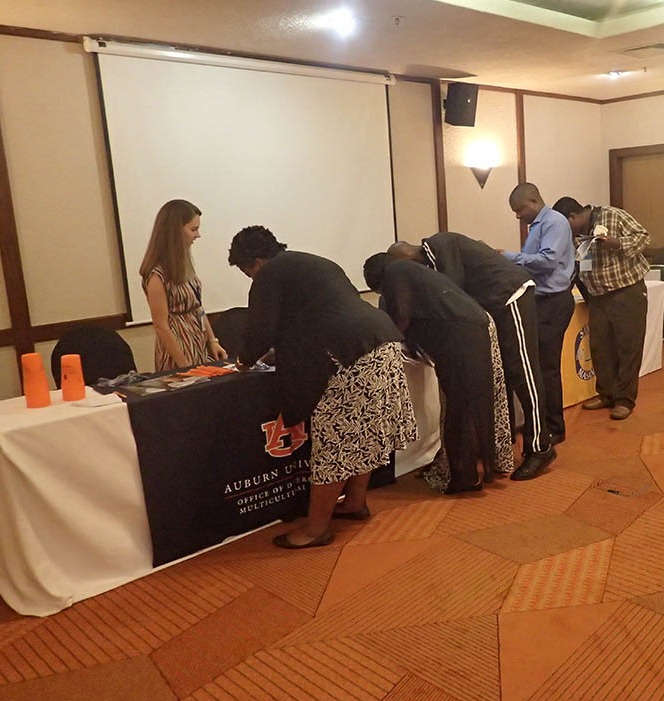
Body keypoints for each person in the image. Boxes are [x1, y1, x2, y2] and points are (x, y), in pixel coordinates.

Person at [229, 227, 417, 548]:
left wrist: (243, 360)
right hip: (381, 343)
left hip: (350, 356)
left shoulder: (270, 273)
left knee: (336, 440)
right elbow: (313, 319)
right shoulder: (311, 262)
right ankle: (355, 503)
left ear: (256, 262)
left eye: (248, 272)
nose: (250, 278)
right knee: (366, 433)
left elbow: (261, 330)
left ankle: (316, 529)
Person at [388, 232, 554, 480]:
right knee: (504, 376)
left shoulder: (439, 246)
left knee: (524, 372)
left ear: (405, 257)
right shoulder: (433, 257)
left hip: (510, 294)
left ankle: (540, 447)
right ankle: (500, 447)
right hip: (494, 303)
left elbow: (453, 292)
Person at [363, 253, 513, 493]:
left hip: (459, 338)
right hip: (471, 331)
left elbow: (401, 316)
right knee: (468, 405)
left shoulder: (396, 271)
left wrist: (387, 340)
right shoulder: (417, 274)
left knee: (460, 408)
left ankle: (464, 478)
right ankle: (468, 472)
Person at [554, 196, 651, 420]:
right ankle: (607, 394)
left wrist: (617, 243)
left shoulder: (613, 215)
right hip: (598, 296)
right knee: (599, 347)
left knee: (627, 347)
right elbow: (580, 262)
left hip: (626, 291)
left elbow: (643, 237)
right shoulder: (578, 234)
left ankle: (625, 400)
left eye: (564, 225)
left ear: (573, 217)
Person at [505, 183, 576, 442]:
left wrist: (508, 257)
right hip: (540, 301)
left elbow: (548, 261)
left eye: (519, 209)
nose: (517, 216)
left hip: (553, 302)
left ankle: (555, 428)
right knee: (537, 366)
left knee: (547, 368)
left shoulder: (554, 222)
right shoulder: (537, 225)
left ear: (533, 201)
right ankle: (540, 421)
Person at [140, 199, 226, 370]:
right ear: (175, 232)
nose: (198, 235)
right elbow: (161, 326)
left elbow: (198, 306)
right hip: (178, 349)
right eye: (193, 229)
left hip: (198, 342)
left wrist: (212, 340)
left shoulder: (184, 265)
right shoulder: (157, 275)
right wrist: (184, 365)